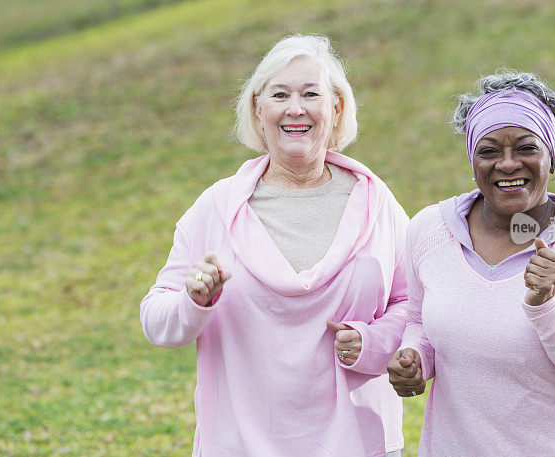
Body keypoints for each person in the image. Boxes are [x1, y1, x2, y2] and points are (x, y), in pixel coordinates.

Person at [140, 34, 408, 457]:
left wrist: (373, 343)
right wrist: (194, 300)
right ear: (258, 110)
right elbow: (156, 322)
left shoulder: (377, 203)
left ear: (336, 108)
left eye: (311, 94)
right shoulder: (216, 208)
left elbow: (414, 304)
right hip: (240, 444)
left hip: (356, 442)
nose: (295, 108)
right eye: (279, 94)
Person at [387, 70, 555, 456]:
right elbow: (420, 321)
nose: (507, 164)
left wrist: (549, 306)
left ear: (550, 156)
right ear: (473, 160)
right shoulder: (429, 230)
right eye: (489, 151)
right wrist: (416, 359)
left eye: (526, 148)